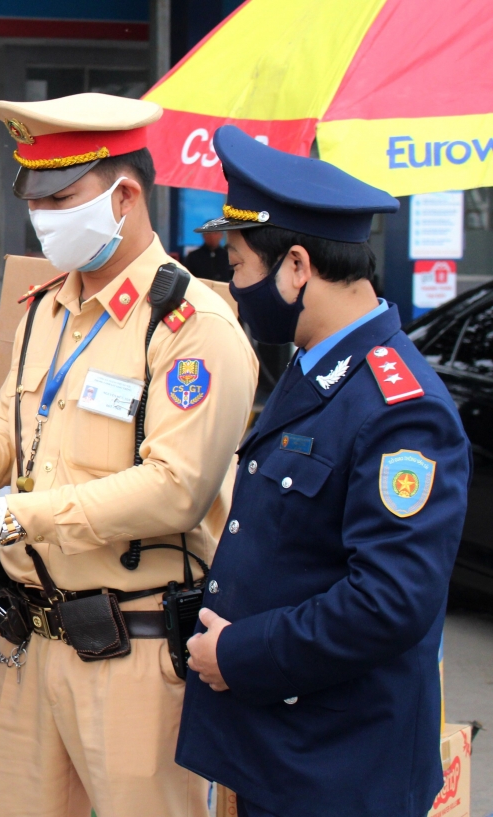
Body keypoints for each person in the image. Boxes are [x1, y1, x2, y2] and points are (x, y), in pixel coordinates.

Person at [0, 93, 259, 817]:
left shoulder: (191, 326)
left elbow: (174, 489)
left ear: (125, 196)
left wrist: (9, 519)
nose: (40, 218)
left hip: (134, 647)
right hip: (29, 643)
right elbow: (17, 436)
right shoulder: (46, 308)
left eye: (62, 198)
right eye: (34, 200)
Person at [175, 126, 471, 817]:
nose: (235, 287)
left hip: (341, 766)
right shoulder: (318, 369)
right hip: (283, 749)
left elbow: (388, 601)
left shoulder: (401, 409)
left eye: (242, 265)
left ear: (298, 266)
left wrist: (241, 653)